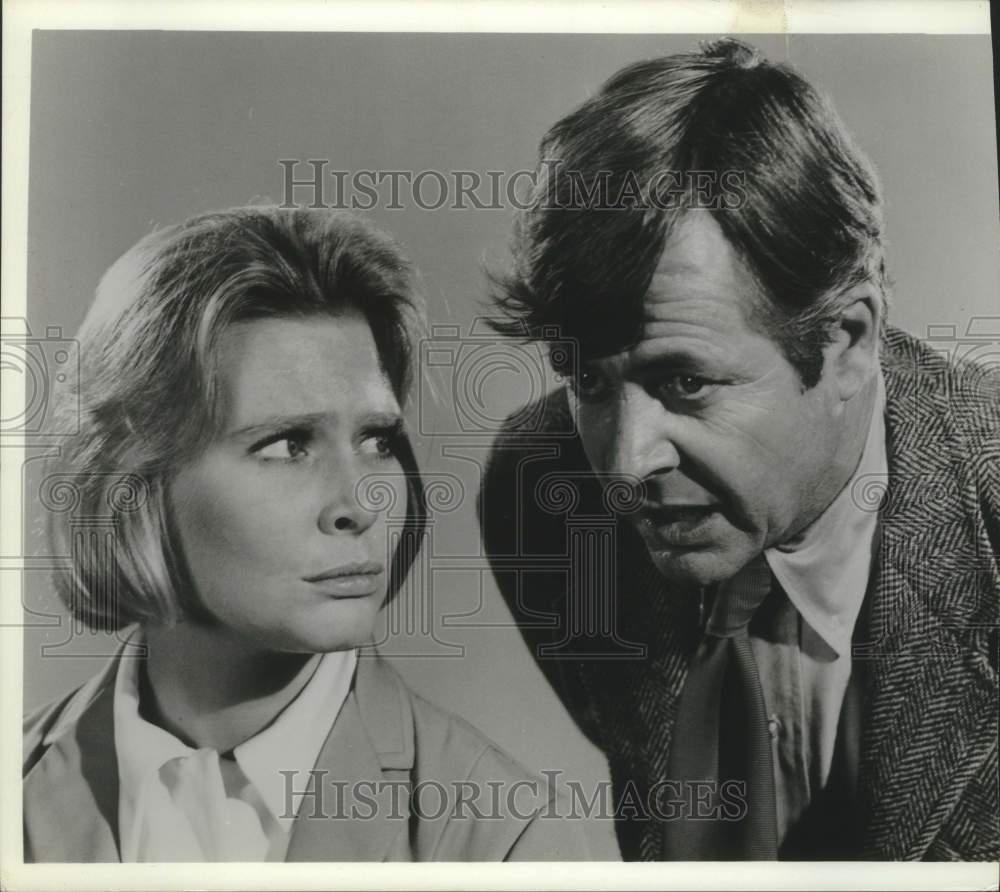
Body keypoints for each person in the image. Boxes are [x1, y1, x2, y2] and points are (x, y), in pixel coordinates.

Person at [480, 38, 999, 861]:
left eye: (686, 382)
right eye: (587, 380)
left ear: (848, 341)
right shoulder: (542, 490)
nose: (626, 465)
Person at [23, 207, 587, 862]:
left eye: (377, 441)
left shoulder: (507, 840)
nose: (362, 504)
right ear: (131, 481)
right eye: (288, 445)